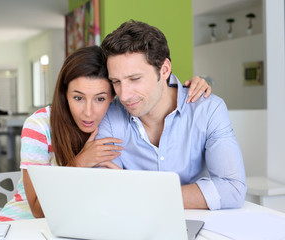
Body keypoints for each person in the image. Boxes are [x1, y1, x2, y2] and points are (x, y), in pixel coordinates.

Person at [0, 46, 211, 221]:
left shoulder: (119, 117)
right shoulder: (40, 126)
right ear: (64, 94)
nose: (88, 112)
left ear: (114, 96)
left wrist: (188, 88)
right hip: (24, 225)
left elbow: (152, 91)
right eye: (78, 98)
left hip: (80, 223)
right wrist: (80, 163)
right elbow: (36, 210)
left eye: (100, 98)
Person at [97, 20, 247, 210]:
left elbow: (232, 189)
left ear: (165, 70)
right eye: (116, 81)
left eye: (135, 79)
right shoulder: (110, 116)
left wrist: (142, 192)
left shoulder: (208, 110)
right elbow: (106, 190)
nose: (124, 95)